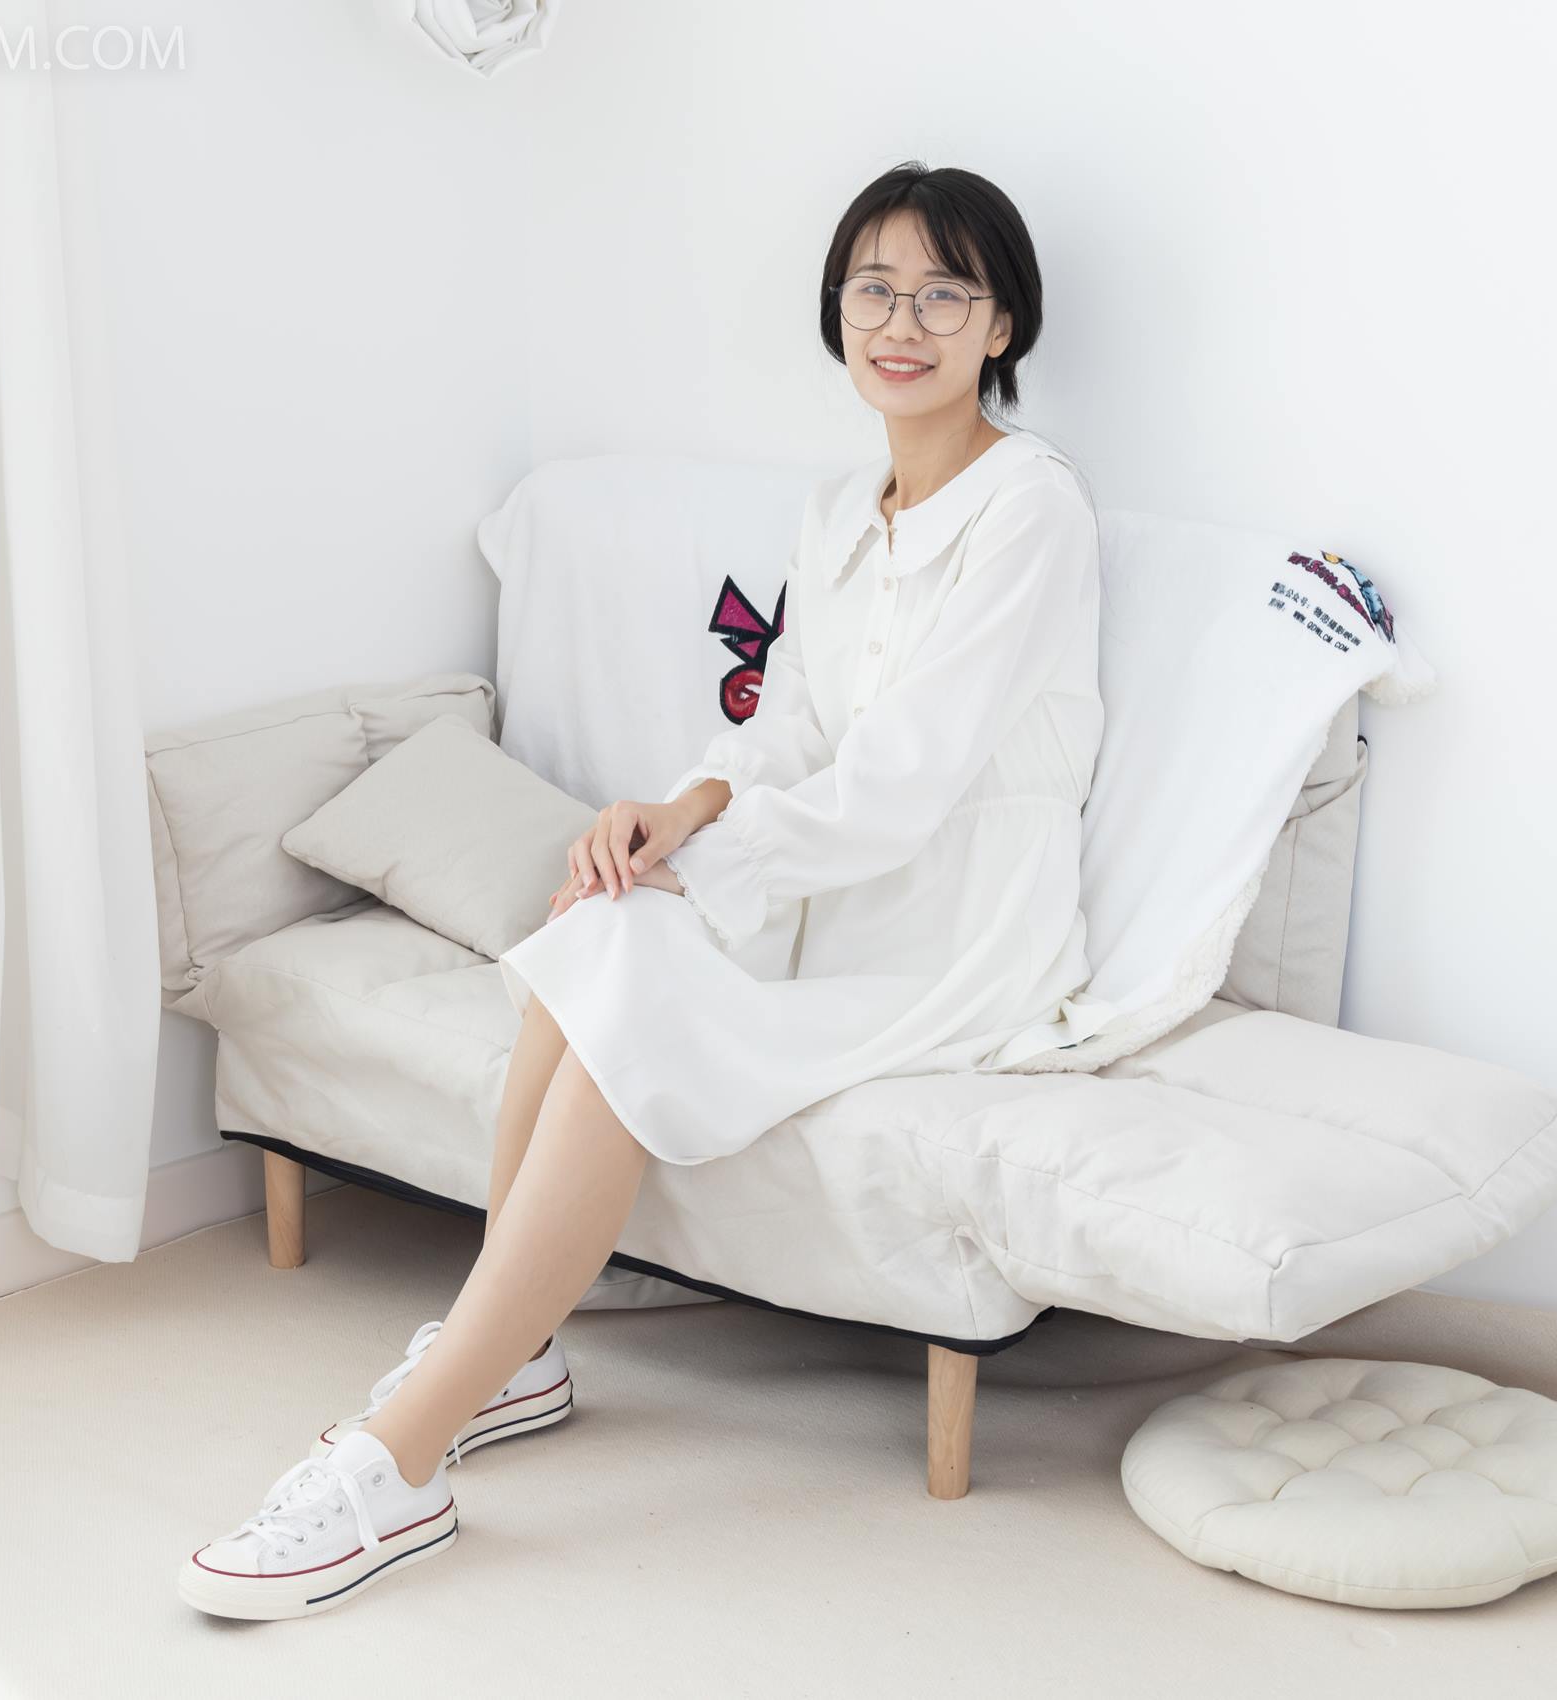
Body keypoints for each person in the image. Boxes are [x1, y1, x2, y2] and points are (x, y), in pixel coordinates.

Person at [177, 161, 1109, 1621]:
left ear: (1002, 326)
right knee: (605, 919)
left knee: (640, 981)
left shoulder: (1029, 509)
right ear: (837, 312)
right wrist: (675, 814)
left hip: (952, 923)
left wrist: (711, 859)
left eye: (944, 294)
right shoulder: (837, 512)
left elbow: (905, 784)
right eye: (873, 289)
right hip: (827, 882)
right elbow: (789, 733)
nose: (901, 323)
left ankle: (401, 1456)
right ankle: (513, 1359)